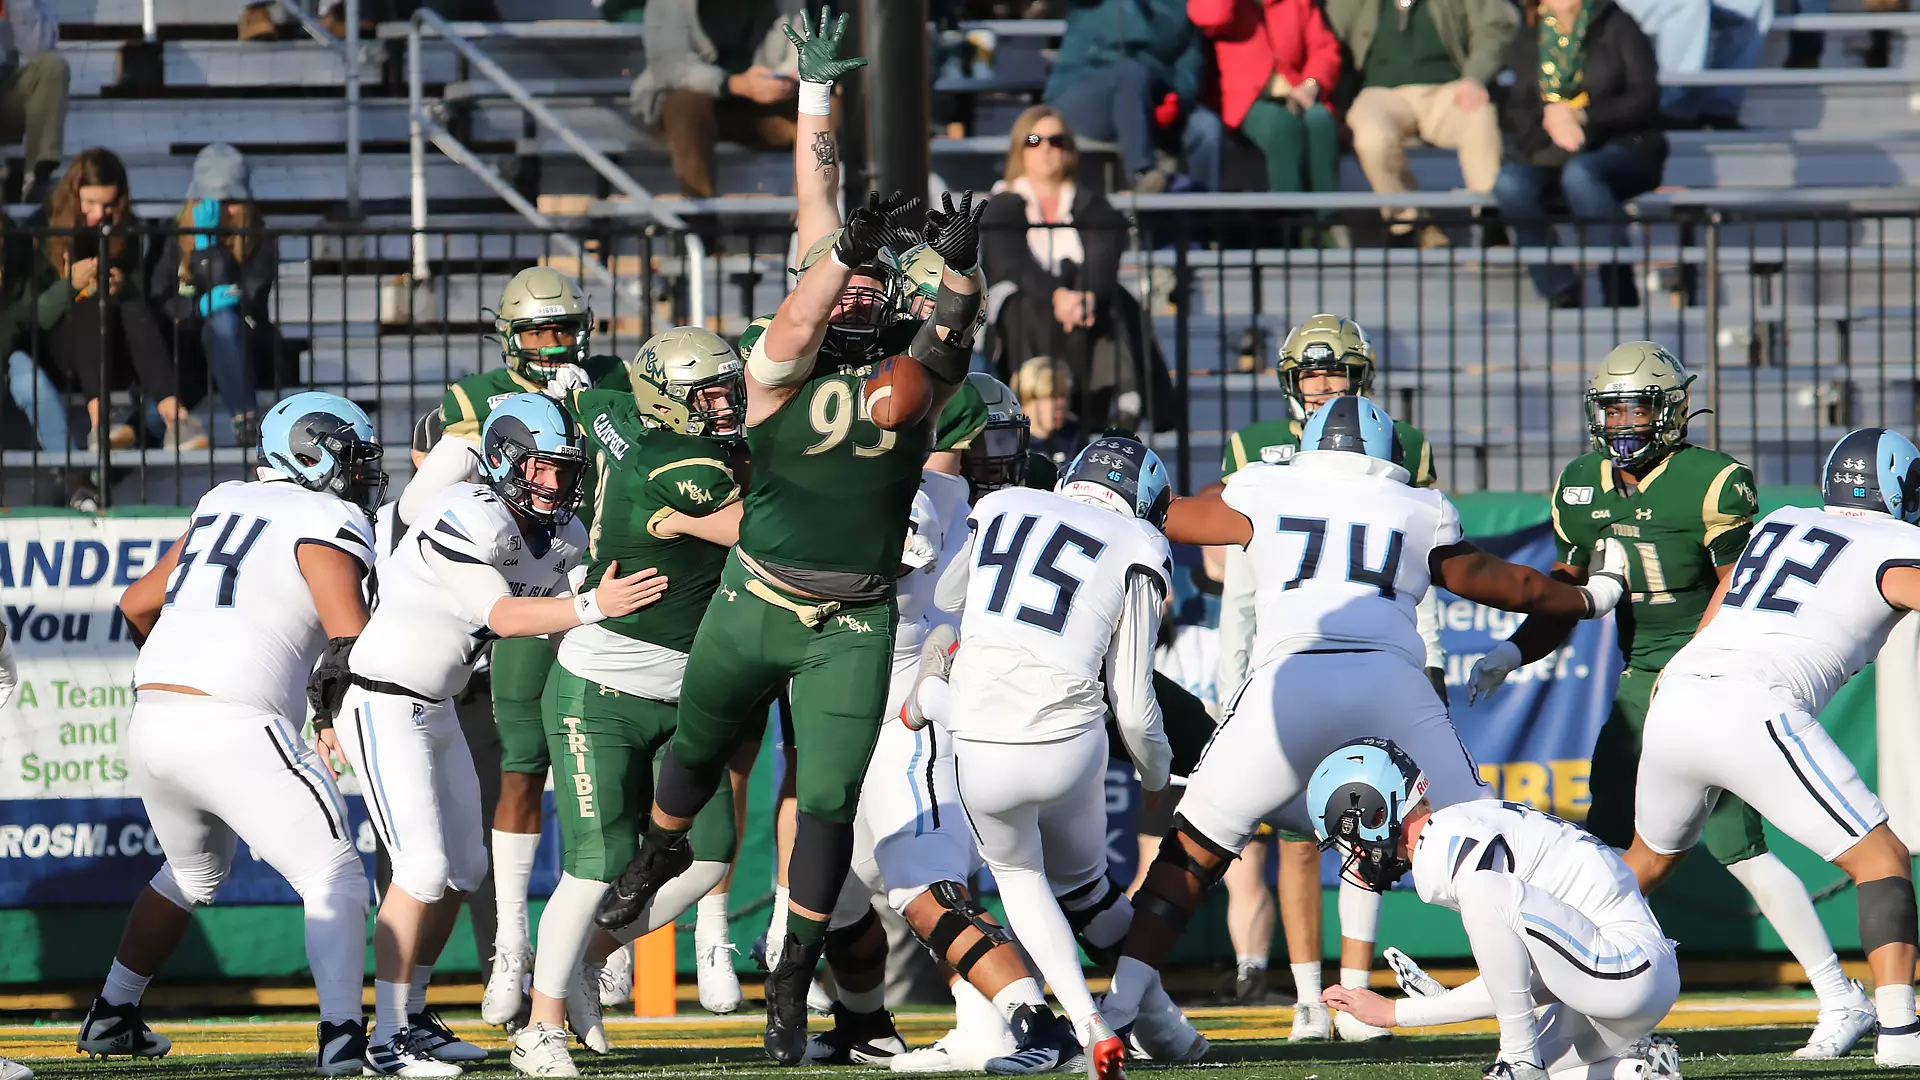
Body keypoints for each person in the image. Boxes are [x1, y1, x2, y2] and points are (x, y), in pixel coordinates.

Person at [591, 6, 989, 1063]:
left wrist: (958, 281)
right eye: (843, 278)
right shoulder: (780, 364)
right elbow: (818, 223)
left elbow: (942, 376)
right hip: (761, 584)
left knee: (828, 808)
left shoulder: (918, 384)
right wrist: (817, 101)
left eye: (868, 283)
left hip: (863, 614)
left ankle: (795, 976)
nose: (853, 292)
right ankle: (662, 858)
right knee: (701, 747)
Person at [1096, 395, 1631, 1038]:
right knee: (1494, 843)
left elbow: (1165, 515)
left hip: (1287, 683)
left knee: (1190, 855)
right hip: (1389, 683)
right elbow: (1511, 586)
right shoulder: (1417, 507)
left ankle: (1117, 1010)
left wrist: (1082, 496)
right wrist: (1592, 597)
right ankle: (1589, 977)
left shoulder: (1264, 486)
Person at [1468, 341, 1877, 1061]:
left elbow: (1738, 589)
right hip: (1641, 680)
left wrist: (1691, 666)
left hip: (1714, 674)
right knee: (1599, 848)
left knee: (1735, 845)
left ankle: (1839, 993)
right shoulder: (1581, 483)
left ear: (1671, 410)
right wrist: (1514, 650)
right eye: (1612, 409)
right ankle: (1585, 1000)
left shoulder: (1712, 482)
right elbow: (1567, 590)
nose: (1623, 424)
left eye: (1637, 408)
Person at [335, 393, 666, 1077]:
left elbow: (562, 625)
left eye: (563, 469)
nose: (553, 482)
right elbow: (506, 616)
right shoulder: (464, 511)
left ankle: (414, 1015)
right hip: (380, 699)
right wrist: (592, 605)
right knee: (422, 870)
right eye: (539, 467)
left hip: (438, 705)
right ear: (502, 459)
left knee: (465, 867)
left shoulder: (564, 533)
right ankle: (386, 1037)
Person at [75, 392, 386, 1076]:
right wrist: (332, 716)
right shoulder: (326, 516)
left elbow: (136, 603)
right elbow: (351, 641)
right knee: (333, 872)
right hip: (236, 720)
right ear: (311, 454)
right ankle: (343, 1039)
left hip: (154, 714)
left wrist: (187, 672)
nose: (363, 472)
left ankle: (112, 1013)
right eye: (353, 456)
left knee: (192, 872)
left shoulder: (222, 500)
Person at [1623, 425, 1920, 1069]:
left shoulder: (1781, 521)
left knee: (1641, 866)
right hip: (1753, 703)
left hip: (1678, 693)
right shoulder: (1899, 543)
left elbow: (1724, 600)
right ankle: (1900, 1030)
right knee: (1881, 859)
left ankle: (1541, 994)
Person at [509, 328, 750, 1078]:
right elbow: (768, 534)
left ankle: (585, 959)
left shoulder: (619, 414)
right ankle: (538, 1026)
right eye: (709, 394)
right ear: (670, 403)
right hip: (605, 689)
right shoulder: (681, 465)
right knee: (599, 861)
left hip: (687, 693)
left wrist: (583, 395)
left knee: (708, 857)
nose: (727, 404)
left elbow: (597, 403)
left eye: (729, 389)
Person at [396, 266, 631, 1031]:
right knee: (520, 769)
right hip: (527, 590)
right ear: (510, 337)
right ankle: (509, 950)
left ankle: (608, 933)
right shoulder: (473, 405)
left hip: (585, 564)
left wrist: (592, 415)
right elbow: (423, 498)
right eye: (539, 331)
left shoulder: (614, 383)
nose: (555, 344)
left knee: (619, 759)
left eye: (565, 329)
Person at [1215, 314, 1445, 1041]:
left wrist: (1432, 659)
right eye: (1311, 373)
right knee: (1294, 834)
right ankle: (1310, 998)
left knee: (1374, 819)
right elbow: (1240, 589)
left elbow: (1418, 571)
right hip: (1285, 653)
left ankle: (1352, 992)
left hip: (1367, 645)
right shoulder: (1255, 449)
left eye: (1336, 372)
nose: (1323, 386)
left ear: (1360, 378)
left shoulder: (1399, 444)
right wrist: (1231, 680)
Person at [933, 435, 1178, 1080]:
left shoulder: (1003, 504)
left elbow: (951, 597)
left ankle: (1088, 1026)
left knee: (1018, 876)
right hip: (1067, 739)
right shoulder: (1139, 542)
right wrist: (1156, 773)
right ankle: (1167, 1030)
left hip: (980, 739)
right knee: (1085, 887)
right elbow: (1132, 702)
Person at [1311, 738, 1684, 1080]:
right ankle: (1640, 1071)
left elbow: (1526, 978)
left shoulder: (1445, 843)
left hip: (1623, 972)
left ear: (1377, 814)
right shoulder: (1455, 828)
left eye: (1349, 836)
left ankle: (1520, 1060)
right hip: (1620, 978)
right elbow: (1529, 979)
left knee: (1483, 890)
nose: (1354, 852)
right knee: (1542, 1073)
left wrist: (1395, 1014)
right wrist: (1439, 1003)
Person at [1490, 0, 1665, 308]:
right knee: (1510, 184)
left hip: (1621, 143)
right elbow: (1518, 108)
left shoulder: (1616, 24)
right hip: (1550, 146)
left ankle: (1619, 290)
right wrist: (1552, 120)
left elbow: (1643, 98)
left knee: (1582, 175)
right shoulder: (1530, 35)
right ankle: (1560, 289)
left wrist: (1583, 116)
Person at [34, 148, 206, 458]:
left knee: (129, 304)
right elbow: (35, 316)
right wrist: (70, 286)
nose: (99, 213)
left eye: (108, 204)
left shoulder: (127, 228)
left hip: (116, 349)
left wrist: (122, 286)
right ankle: (100, 424)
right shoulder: (43, 227)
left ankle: (176, 418)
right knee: (93, 303)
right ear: (73, 195)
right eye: (90, 203)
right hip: (60, 351)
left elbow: (141, 298)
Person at [1322, 0, 1515, 245]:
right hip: (1379, 93)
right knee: (1370, 135)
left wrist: (1475, 76)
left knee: (1480, 116)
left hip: (1448, 89)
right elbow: (1326, 38)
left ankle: (1490, 221)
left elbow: (1495, 25)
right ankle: (1407, 224)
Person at [158, 144, 277, 447]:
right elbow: (161, 299)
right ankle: (95, 471)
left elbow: (247, 300)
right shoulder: (171, 235)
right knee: (151, 415)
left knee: (222, 320)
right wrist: (196, 308)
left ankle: (246, 421)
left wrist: (207, 250)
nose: (223, 211)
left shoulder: (260, 239)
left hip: (242, 351)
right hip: (187, 355)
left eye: (232, 201)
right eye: (215, 201)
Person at [1042, 0, 1221, 192]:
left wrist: (1176, 101)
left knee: (1206, 126)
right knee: (1131, 71)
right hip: (1084, 97)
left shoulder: (1183, 8)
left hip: (1154, 102)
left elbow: (1189, 71)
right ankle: (1141, 174)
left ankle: (1204, 205)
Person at [629, 0, 800, 198]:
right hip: (692, 105)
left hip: (760, 105)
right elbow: (671, 66)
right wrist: (733, 84)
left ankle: (813, 211)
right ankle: (699, 211)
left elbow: (800, 48)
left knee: (821, 106)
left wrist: (787, 79)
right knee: (685, 103)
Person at [1187, 0, 1343, 199]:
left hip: (1297, 90)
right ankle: (1290, 213)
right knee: (1281, 127)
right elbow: (1211, 16)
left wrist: (1312, 83)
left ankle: (1328, 213)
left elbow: (1323, 49)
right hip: (1243, 99)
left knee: (1320, 120)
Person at [0, 0, 66, 207]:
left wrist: (20, 4)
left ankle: (37, 176)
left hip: (5, 90)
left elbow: (40, 48)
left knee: (52, 67)